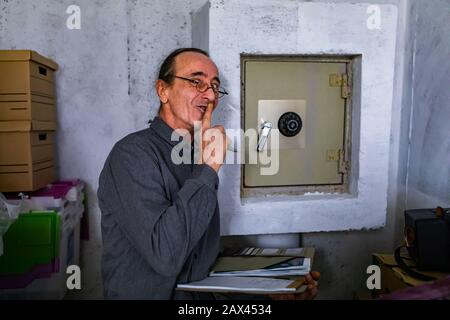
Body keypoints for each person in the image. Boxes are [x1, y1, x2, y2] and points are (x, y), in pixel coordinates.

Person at [98, 47, 320, 299]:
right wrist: (208, 168)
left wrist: (270, 294)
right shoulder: (131, 155)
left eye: (214, 86)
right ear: (163, 90)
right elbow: (166, 256)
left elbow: (200, 265)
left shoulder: (196, 156)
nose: (210, 94)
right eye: (196, 81)